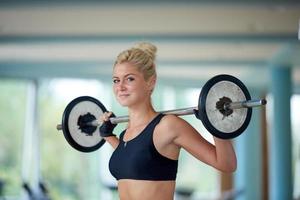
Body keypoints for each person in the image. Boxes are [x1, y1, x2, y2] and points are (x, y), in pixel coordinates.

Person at [99, 42, 237, 200]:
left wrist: (216, 124)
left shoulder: (168, 126)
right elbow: (135, 161)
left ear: (151, 82)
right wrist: (109, 136)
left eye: (129, 79)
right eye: (116, 80)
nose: (120, 87)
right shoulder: (126, 133)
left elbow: (227, 164)